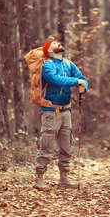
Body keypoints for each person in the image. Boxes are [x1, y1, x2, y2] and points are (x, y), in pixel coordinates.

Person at [34, 40, 88, 191]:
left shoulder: (69, 64)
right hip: (51, 112)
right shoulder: (48, 65)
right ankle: (39, 179)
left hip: (66, 112)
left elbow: (82, 79)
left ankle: (64, 179)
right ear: (49, 51)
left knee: (66, 145)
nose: (58, 43)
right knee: (47, 145)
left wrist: (84, 86)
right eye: (54, 43)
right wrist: (76, 81)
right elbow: (55, 80)